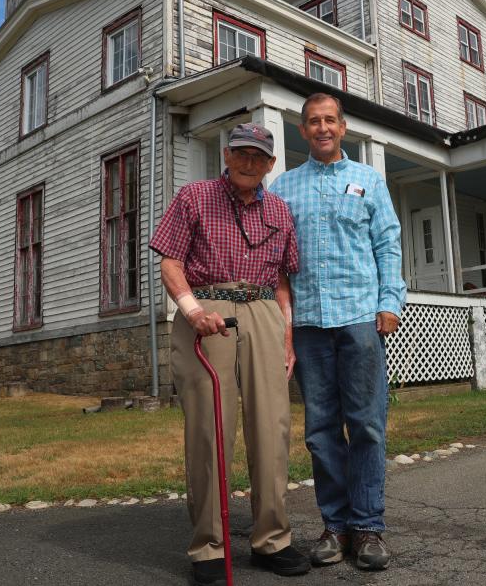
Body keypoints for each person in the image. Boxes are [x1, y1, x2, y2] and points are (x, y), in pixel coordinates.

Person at [149, 123, 309, 586]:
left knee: (272, 428)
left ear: (271, 164)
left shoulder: (279, 208)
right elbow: (170, 261)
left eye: (259, 157)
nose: (249, 162)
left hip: (263, 311)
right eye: (241, 153)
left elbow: (282, 279)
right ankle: (208, 547)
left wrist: (287, 335)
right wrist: (191, 309)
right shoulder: (194, 196)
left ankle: (272, 539)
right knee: (209, 429)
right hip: (206, 308)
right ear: (226, 153)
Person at [271, 92, 406, 571]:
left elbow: (388, 245)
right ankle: (335, 525)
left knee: (367, 424)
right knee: (321, 430)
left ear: (343, 127)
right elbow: (276, 261)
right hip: (308, 323)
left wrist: (390, 302)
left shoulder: (368, 180)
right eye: (313, 121)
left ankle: (368, 528)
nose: (322, 128)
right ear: (303, 131)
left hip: (360, 319)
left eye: (330, 120)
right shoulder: (284, 188)